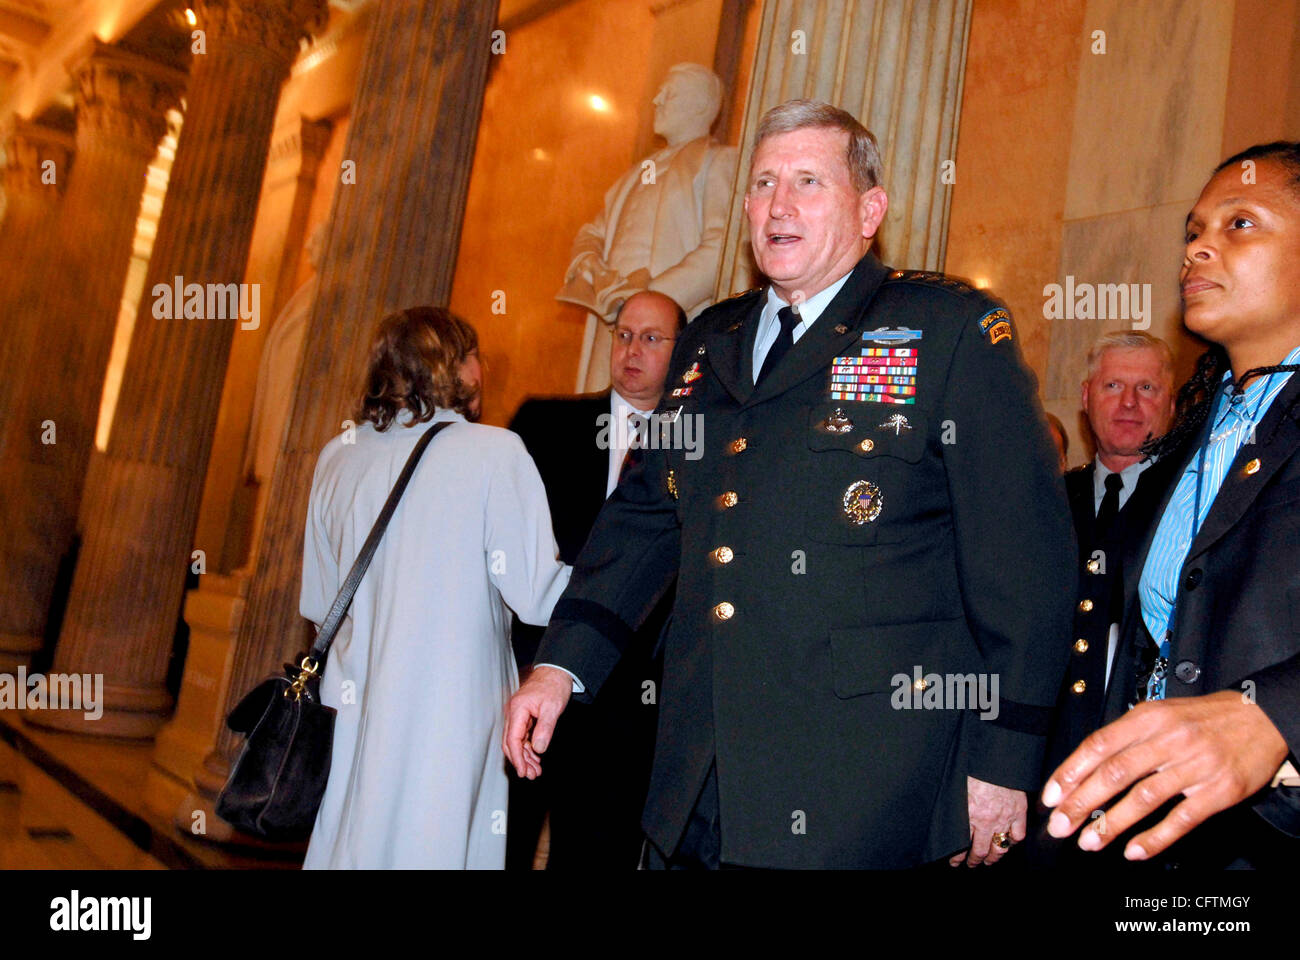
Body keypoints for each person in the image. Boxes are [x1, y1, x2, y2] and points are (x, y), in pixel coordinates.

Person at [505, 99, 1076, 870]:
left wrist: (1004, 762)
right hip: (696, 774)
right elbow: (644, 519)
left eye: (809, 181)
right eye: (766, 182)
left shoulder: (946, 330)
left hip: (864, 785)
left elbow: (1023, 561)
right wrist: (559, 662)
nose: (779, 204)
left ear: (869, 209)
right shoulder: (711, 340)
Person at [1044, 142, 1300, 868]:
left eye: (1239, 225)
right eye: (1192, 233)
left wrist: (1274, 715)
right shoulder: (1193, 433)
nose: (1198, 251)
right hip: (1164, 835)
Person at [300, 306, 570, 869]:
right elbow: (538, 593)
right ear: (456, 367)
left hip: (357, 706)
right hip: (451, 712)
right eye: (475, 356)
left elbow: (321, 606)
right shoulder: (494, 452)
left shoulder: (337, 455)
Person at [505, 291, 682, 870]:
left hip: (630, 703)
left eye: (652, 338)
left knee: (594, 856)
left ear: (682, 355)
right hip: (531, 677)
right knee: (500, 843)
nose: (633, 349)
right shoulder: (544, 426)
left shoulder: (696, 451)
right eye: (624, 334)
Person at [1027, 332, 1179, 867]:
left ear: (1173, 404)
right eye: (1114, 385)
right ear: (1087, 396)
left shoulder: (1191, 505)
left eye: (1147, 388)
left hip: (1146, 789)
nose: (1130, 403)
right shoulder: (1045, 504)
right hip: (1035, 780)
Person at [557, 62, 738, 389]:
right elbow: (593, 232)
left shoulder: (720, 162)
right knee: (598, 420)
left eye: (669, 93)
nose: (656, 99)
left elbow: (721, 248)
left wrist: (650, 304)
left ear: (699, 105)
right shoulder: (634, 174)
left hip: (669, 325)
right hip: (610, 320)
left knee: (664, 423)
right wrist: (590, 265)